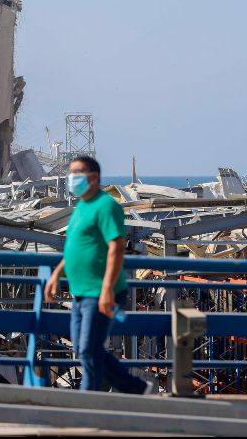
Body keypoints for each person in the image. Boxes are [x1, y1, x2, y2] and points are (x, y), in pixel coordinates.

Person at [44, 155, 152, 394]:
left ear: (93, 177)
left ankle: (90, 400)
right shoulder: (81, 207)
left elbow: (117, 246)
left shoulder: (107, 206)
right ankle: (136, 389)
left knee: (87, 349)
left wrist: (106, 290)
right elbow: (75, 246)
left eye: (77, 173)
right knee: (86, 349)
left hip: (101, 291)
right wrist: (56, 276)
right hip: (80, 292)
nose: (71, 178)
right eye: (70, 173)